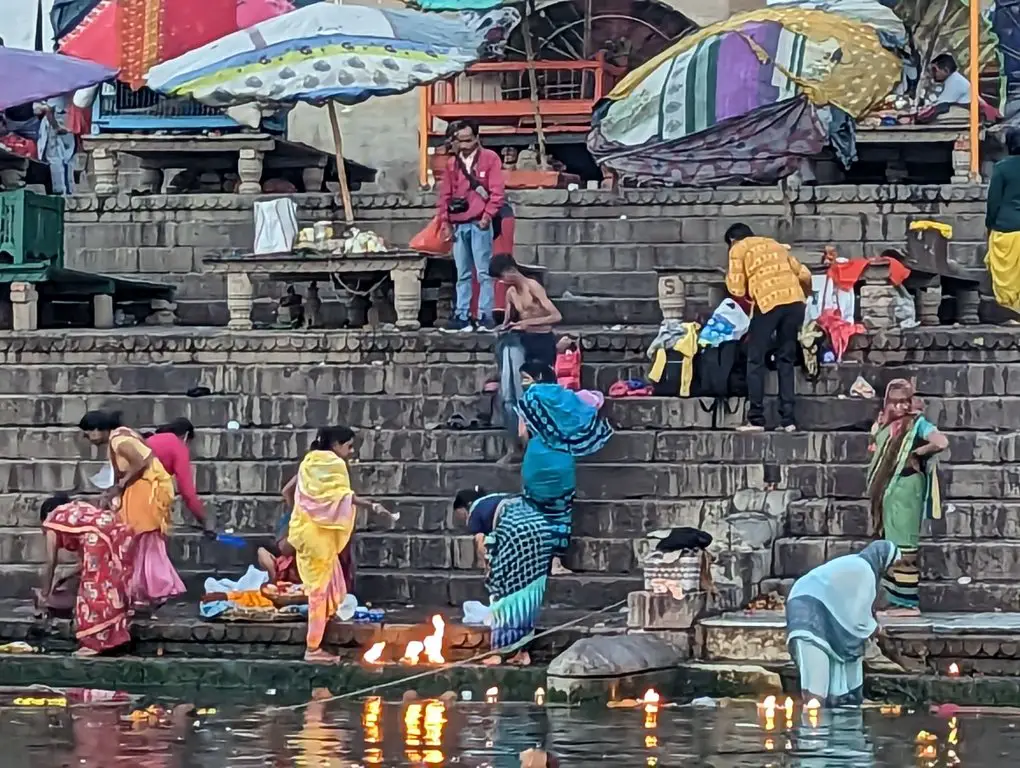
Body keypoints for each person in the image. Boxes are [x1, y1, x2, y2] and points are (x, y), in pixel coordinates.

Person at [287, 427, 389, 663]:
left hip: (306, 532)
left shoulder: (308, 462)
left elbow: (295, 493)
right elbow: (342, 497)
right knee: (319, 593)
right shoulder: (333, 464)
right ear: (335, 445)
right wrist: (371, 506)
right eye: (349, 446)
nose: (351, 452)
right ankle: (312, 649)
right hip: (318, 538)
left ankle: (321, 633)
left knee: (331, 587)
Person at [78, 410, 183, 609]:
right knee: (137, 540)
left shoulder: (119, 440)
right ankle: (143, 593)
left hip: (146, 490)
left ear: (98, 430)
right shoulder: (121, 435)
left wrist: (121, 484)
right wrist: (113, 491)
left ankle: (157, 590)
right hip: (144, 488)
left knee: (143, 537)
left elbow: (140, 462)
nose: (87, 438)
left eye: (87, 432)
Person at [518, 365, 613, 575]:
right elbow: (586, 413)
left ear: (538, 376)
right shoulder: (567, 398)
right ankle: (555, 563)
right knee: (560, 514)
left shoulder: (530, 398)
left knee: (534, 512)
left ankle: (535, 563)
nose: (523, 383)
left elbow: (522, 433)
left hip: (536, 459)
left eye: (525, 378)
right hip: (562, 460)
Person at [785, 540, 899, 707]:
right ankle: (814, 726)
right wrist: (876, 629)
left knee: (837, 663)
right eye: (893, 566)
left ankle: (832, 715)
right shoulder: (864, 570)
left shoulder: (859, 567)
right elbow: (860, 618)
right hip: (807, 610)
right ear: (884, 561)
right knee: (817, 673)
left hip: (820, 611)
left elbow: (850, 608)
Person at [866, 379, 947, 613]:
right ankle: (895, 600)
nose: (900, 407)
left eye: (904, 402)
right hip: (889, 491)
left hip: (907, 488)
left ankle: (908, 604)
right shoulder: (884, 425)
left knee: (905, 545)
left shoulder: (917, 424)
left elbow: (941, 442)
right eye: (895, 402)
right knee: (891, 544)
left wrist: (917, 451)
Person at [724, 223, 812, 432]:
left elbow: (736, 286)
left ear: (733, 240)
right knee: (786, 358)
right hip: (795, 301)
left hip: (769, 300)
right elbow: (804, 274)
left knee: (755, 359)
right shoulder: (775, 245)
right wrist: (803, 294)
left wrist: (733, 280)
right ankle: (788, 420)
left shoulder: (739, 248)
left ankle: (756, 418)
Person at [453, 487, 550, 666]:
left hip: (516, 535)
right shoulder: (502, 497)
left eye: (460, 514)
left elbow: (480, 542)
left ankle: (501, 652)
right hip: (543, 531)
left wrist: (488, 568)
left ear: (465, 506)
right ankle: (522, 652)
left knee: (505, 594)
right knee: (528, 593)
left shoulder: (476, 508)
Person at [36, 493, 135, 656]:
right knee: (110, 584)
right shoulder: (80, 513)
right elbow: (88, 560)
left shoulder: (52, 519)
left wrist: (45, 594)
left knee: (91, 588)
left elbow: (50, 562)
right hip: (115, 528)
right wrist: (65, 576)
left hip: (98, 536)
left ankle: (93, 643)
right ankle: (115, 638)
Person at [437, 119, 506, 331]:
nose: (465, 145)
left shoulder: (490, 158)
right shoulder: (452, 164)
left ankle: (485, 315)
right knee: (462, 273)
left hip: (479, 222)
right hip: (458, 224)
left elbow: (497, 192)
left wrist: (487, 216)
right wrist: (444, 220)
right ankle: (462, 314)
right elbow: (444, 195)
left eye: (469, 140)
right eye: (461, 140)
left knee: (484, 272)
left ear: (477, 138)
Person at [490, 254, 562, 371]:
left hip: (542, 338)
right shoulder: (511, 293)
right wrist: (503, 327)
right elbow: (506, 322)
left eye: (502, 277)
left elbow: (556, 316)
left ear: (511, 270)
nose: (501, 281)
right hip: (523, 339)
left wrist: (526, 323)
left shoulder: (533, 286)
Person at [145, 417, 212, 536]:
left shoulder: (151, 439)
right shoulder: (177, 446)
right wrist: (204, 520)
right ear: (186, 436)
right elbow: (187, 491)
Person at [985, 128, 1020, 317]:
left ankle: (1012, 312)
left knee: (1008, 279)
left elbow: (994, 202)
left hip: (1006, 229)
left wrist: (989, 225)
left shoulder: (1002, 167)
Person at [454, 486, 512, 568]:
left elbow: (480, 538)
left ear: (468, 504)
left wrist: (482, 562)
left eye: (461, 514)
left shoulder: (475, 510)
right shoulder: (493, 498)